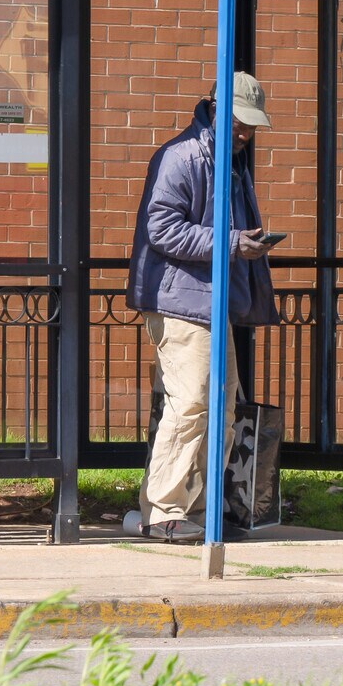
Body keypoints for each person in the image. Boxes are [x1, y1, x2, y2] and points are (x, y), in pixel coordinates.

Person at [124, 74, 279, 545]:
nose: (247, 133)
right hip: (181, 302)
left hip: (207, 302)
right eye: (240, 122)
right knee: (192, 403)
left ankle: (194, 507)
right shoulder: (184, 156)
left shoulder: (224, 159)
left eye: (251, 126)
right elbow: (162, 229)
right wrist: (234, 243)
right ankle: (164, 509)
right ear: (216, 109)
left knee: (220, 408)